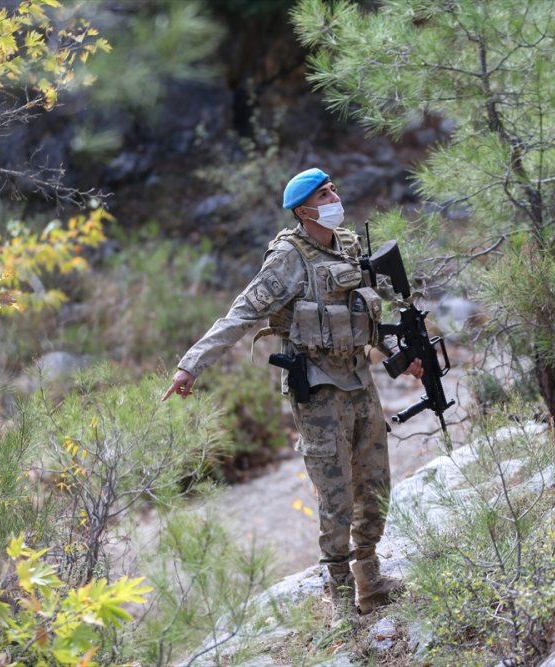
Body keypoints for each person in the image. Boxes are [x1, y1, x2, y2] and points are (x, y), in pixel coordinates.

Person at [162, 167, 422, 622]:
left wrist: (402, 353)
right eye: (324, 193)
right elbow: (241, 314)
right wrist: (191, 364)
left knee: (376, 483)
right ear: (304, 210)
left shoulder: (348, 244)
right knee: (336, 493)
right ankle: (341, 597)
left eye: (334, 188)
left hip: (360, 380)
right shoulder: (287, 258)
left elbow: (369, 315)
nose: (335, 195)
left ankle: (372, 580)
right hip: (318, 389)